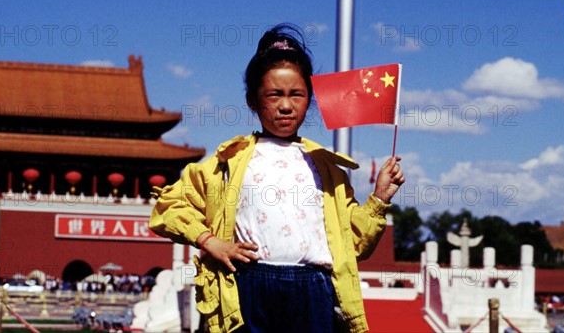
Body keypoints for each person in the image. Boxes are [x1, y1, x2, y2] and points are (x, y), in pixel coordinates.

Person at [150, 24, 405, 333]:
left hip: (313, 289)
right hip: (248, 284)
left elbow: (352, 244)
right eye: (274, 95)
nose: (286, 105)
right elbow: (170, 206)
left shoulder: (326, 167)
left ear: (310, 98)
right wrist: (211, 242)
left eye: (296, 94)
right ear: (253, 101)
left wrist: (379, 199)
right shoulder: (229, 161)